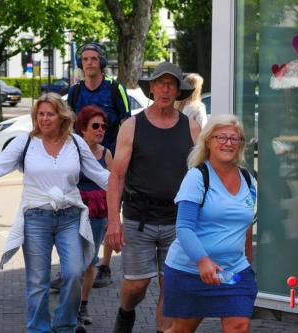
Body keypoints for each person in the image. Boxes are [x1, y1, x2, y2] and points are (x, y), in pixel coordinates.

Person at [0, 93, 109, 333]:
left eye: (50, 114)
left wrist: (126, 183)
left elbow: (101, 175)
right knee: (37, 282)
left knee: (73, 273)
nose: (45, 119)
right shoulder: (25, 142)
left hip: (69, 216)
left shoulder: (76, 143)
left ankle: (65, 325)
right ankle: (39, 329)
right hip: (36, 218)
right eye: (40, 114)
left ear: (61, 117)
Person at [105, 61, 201, 333]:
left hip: (177, 220)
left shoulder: (192, 128)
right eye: (161, 83)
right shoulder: (132, 125)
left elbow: (200, 176)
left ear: (178, 91)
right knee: (136, 286)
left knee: (170, 286)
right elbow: (117, 177)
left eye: (171, 84)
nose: (166, 89)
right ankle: (125, 314)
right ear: (152, 88)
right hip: (139, 218)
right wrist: (114, 221)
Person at [163, 115, 257, 333]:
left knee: (239, 326)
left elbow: (246, 224)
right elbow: (184, 227)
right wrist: (202, 261)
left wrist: (247, 260)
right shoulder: (197, 177)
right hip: (190, 270)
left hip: (233, 271)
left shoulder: (248, 179)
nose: (228, 143)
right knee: (181, 330)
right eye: (221, 137)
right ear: (208, 142)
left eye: (235, 139)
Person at [67, 42, 131, 288]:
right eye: (85, 59)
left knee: (108, 210)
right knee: (78, 210)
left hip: (111, 158)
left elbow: (127, 122)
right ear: (80, 63)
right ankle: (76, 267)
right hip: (81, 158)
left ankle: (104, 266)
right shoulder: (75, 92)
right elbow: (69, 124)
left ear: (101, 62)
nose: (90, 63)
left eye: (94, 59)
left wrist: (123, 158)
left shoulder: (115, 89)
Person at [73, 105, 113, 329]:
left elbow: (115, 185)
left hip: (97, 213)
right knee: (73, 263)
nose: (100, 130)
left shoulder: (106, 154)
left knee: (89, 263)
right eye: (95, 126)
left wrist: (113, 218)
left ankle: (82, 306)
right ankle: (70, 308)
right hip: (73, 211)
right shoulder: (72, 151)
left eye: (103, 126)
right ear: (83, 129)